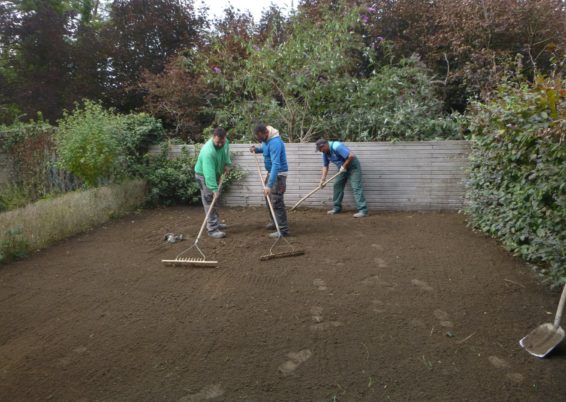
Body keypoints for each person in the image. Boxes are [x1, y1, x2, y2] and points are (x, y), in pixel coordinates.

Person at [250, 124, 289, 238]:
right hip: (271, 172)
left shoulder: (275, 142)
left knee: (277, 201)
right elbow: (265, 149)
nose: (259, 139)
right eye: (257, 137)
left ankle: (283, 230)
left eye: (260, 137)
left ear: (266, 133)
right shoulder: (266, 140)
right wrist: (256, 149)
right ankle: (274, 222)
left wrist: (269, 185)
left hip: (278, 174)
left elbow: (276, 165)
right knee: (268, 198)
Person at [315, 138, 368, 218]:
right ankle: (337, 208)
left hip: (353, 167)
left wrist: (344, 166)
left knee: (356, 187)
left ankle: (363, 210)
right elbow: (325, 165)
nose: (320, 151)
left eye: (320, 149)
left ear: (325, 145)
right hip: (342, 169)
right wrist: (323, 179)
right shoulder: (325, 152)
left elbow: (351, 156)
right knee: (337, 185)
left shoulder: (336, 146)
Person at [194, 127, 232, 238]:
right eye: (217, 142)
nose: (220, 144)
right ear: (213, 138)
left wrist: (227, 164)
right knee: (210, 200)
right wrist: (214, 189)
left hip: (216, 173)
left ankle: (216, 223)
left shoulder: (225, 142)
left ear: (225, 138)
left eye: (222, 142)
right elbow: (208, 174)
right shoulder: (208, 152)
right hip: (204, 175)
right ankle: (212, 229)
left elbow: (226, 153)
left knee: (216, 200)